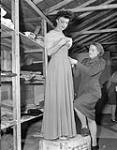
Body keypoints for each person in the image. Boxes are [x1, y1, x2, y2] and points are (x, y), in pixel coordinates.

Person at [41, 10, 77, 140]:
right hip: (56, 68)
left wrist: (70, 60)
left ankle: (64, 130)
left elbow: (63, 54)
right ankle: (55, 131)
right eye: (62, 22)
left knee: (65, 97)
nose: (63, 25)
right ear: (57, 20)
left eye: (66, 23)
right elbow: (49, 52)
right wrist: (62, 43)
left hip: (65, 67)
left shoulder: (63, 35)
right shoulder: (50, 34)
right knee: (57, 97)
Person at [73, 43, 106, 150]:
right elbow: (77, 74)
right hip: (82, 91)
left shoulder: (101, 62)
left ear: (99, 52)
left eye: (93, 50)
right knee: (90, 118)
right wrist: (73, 66)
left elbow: (91, 72)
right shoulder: (85, 61)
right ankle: (94, 145)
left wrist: (76, 62)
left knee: (76, 104)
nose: (90, 52)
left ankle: (84, 126)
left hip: (93, 92)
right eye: (90, 49)